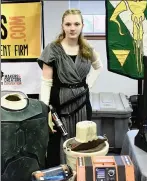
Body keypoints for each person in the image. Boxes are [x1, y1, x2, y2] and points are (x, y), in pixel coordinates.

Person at [38, 9, 103, 167]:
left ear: (82, 26)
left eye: (76, 24)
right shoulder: (52, 50)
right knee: (58, 141)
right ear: (62, 26)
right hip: (59, 104)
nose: (72, 28)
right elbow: (46, 82)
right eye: (68, 24)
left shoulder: (87, 49)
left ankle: (81, 176)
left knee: (84, 139)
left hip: (82, 102)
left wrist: (88, 84)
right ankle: (61, 176)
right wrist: (45, 110)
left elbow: (98, 66)